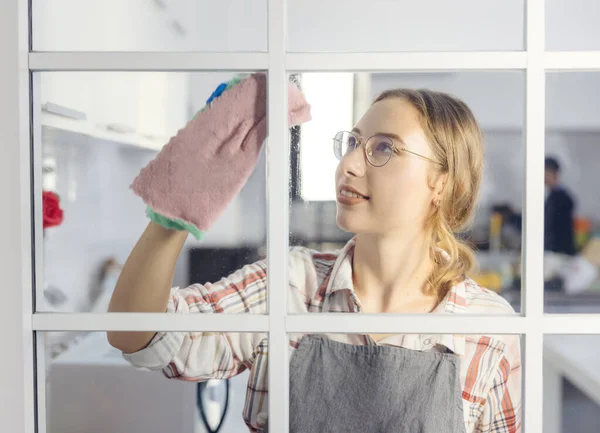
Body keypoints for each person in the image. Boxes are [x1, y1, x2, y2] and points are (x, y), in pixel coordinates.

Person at [108, 86, 521, 432]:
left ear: (442, 183)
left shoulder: (487, 329)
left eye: (384, 148)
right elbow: (140, 337)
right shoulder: (290, 285)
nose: (349, 164)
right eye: (354, 143)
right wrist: (177, 208)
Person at [544, 156, 576, 255]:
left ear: (553, 173)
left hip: (559, 253)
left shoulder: (562, 198)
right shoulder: (553, 196)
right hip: (555, 251)